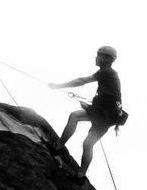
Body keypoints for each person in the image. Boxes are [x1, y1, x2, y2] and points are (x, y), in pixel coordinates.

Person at [49, 46, 124, 179]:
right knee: (88, 143)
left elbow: (81, 81)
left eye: (100, 55)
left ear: (107, 59)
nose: (97, 57)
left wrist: (58, 86)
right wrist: (90, 107)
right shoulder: (110, 74)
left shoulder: (106, 72)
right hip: (110, 116)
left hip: (104, 113)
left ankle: (58, 146)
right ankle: (80, 175)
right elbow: (110, 98)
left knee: (74, 116)